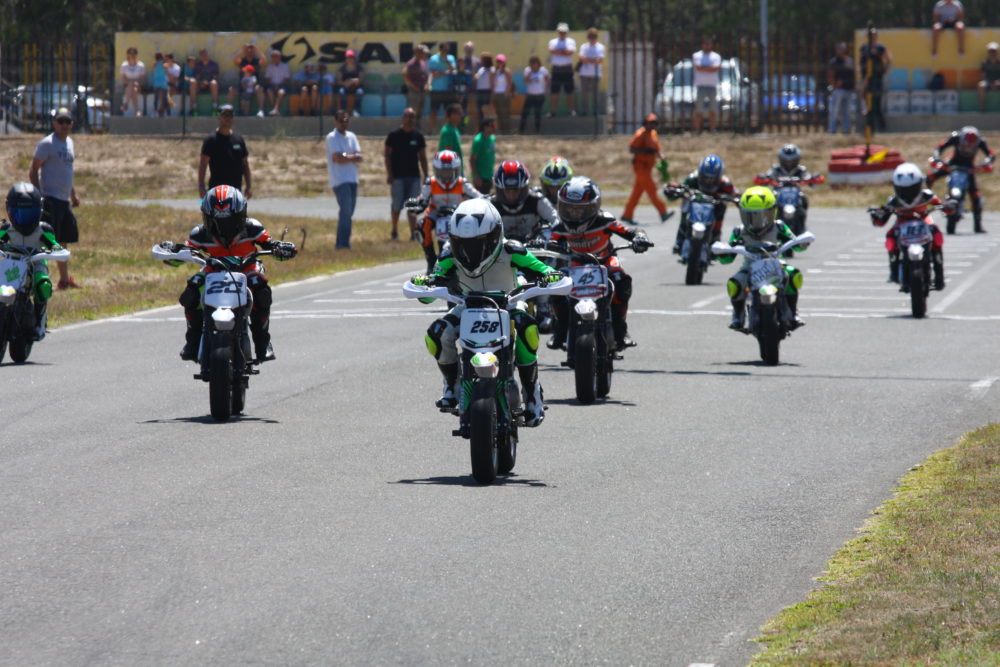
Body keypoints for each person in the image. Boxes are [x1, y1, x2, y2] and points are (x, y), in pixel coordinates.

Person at [413, 197, 561, 425]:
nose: (472, 251)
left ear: (495, 234)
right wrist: (425, 284)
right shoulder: (448, 256)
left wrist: (550, 276)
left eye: (480, 242)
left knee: (528, 327)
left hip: (509, 302)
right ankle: (451, 385)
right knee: (437, 332)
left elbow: (542, 269)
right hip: (467, 305)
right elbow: (429, 292)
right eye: (464, 243)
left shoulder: (512, 249)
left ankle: (532, 393)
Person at [166, 185, 297, 362]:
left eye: (228, 221)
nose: (222, 227)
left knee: (262, 292)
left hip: (247, 267)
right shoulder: (200, 234)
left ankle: (262, 342)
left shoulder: (253, 228)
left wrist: (281, 248)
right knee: (191, 292)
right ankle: (193, 342)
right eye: (216, 221)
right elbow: (184, 253)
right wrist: (172, 253)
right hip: (212, 269)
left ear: (241, 215)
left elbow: (270, 245)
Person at [549, 176, 651, 349]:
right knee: (553, 284)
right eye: (569, 209)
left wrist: (639, 238)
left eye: (580, 210)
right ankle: (560, 329)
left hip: (604, 261)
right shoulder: (559, 226)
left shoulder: (605, 220)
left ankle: (621, 330)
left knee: (621, 280)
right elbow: (549, 240)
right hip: (574, 264)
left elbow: (629, 230)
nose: (574, 213)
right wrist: (539, 244)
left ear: (593, 207)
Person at [718, 186, 809, 331]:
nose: (756, 222)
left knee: (793, 274)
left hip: (776, 264)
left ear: (773, 212)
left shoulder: (779, 227)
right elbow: (727, 259)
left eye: (762, 216)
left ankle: (793, 312)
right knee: (734, 284)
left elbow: (795, 244)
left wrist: (802, 243)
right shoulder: (739, 230)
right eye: (750, 216)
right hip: (749, 266)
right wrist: (723, 253)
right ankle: (738, 316)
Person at [2, 182, 64, 339]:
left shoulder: (43, 229)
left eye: (29, 213)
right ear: (9, 209)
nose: (23, 218)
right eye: (18, 213)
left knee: (42, 285)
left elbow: (54, 244)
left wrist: (56, 249)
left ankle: (40, 322)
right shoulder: (6, 228)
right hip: (11, 263)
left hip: (36, 262)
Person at [870, 163, 946, 289]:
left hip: (924, 220)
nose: (908, 193)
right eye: (903, 189)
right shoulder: (893, 201)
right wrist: (878, 215)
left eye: (911, 188)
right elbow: (881, 220)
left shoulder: (927, 195)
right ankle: (893, 270)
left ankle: (939, 275)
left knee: (937, 236)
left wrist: (949, 206)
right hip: (901, 224)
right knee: (890, 240)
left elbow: (941, 204)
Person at [29, 107, 80, 289]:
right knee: (46, 240)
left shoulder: (70, 143)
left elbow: (67, 171)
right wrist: (38, 195)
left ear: (71, 123)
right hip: (49, 198)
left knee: (63, 239)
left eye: (67, 121)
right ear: (54, 123)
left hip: (64, 199)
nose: (64, 125)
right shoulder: (47, 144)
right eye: (61, 121)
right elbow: (34, 169)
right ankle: (38, 277)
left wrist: (73, 195)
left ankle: (64, 279)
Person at [414, 150, 480, 272]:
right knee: (422, 226)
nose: (446, 175)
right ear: (436, 170)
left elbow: (477, 196)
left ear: (457, 170)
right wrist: (417, 203)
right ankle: (431, 259)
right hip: (435, 212)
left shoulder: (462, 183)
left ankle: (469, 257)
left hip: (459, 214)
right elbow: (422, 198)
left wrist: (487, 199)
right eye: (443, 172)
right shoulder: (431, 182)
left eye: (449, 171)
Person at [926, 126, 996, 233]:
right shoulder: (956, 137)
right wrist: (937, 158)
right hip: (953, 166)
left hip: (969, 169)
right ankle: (927, 200)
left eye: (971, 146)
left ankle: (977, 226)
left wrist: (986, 163)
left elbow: (991, 155)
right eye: (965, 145)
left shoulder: (981, 141)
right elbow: (940, 147)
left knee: (975, 197)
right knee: (930, 177)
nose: (968, 148)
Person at [667, 154, 739, 253]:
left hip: (714, 205)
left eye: (713, 180)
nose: (709, 182)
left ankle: (715, 238)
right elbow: (679, 187)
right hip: (695, 203)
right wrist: (672, 190)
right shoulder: (692, 178)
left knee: (722, 205)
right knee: (685, 202)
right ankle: (681, 237)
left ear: (719, 177)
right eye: (705, 178)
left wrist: (738, 200)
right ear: (700, 174)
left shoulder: (726, 183)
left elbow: (736, 194)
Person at [384, 107, 429, 241]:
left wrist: (426, 175)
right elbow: (387, 155)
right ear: (403, 118)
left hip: (414, 176)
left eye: (412, 116)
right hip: (397, 177)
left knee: (412, 206)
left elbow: (423, 157)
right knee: (396, 205)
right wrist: (389, 174)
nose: (410, 119)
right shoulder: (394, 135)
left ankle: (413, 234)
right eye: (407, 116)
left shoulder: (418, 136)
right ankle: (394, 230)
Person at [621, 113, 672, 225]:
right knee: (651, 189)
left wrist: (662, 158)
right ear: (646, 123)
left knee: (637, 193)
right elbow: (632, 149)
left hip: (648, 168)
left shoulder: (654, 134)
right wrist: (644, 151)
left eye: (654, 123)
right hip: (640, 167)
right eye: (650, 123)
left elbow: (657, 149)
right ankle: (663, 212)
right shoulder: (640, 134)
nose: (652, 125)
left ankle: (627, 215)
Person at [489, 160, 557, 243]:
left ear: (523, 188)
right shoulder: (491, 206)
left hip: (533, 251)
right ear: (499, 190)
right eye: (507, 190)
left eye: (515, 190)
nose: (511, 195)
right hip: (501, 252)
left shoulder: (537, 200)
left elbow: (555, 220)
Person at [752, 144, 816, 229]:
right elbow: (767, 176)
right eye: (786, 161)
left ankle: (802, 225)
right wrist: (764, 178)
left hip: (795, 194)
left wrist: (812, 179)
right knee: (769, 200)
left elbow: (809, 178)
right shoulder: (776, 169)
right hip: (778, 193)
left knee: (804, 198)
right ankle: (768, 225)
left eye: (792, 161)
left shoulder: (801, 169)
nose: (789, 163)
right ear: (781, 160)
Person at [325, 110, 363, 249]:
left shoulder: (352, 136)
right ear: (335, 122)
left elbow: (358, 154)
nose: (343, 123)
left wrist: (348, 156)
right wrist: (351, 157)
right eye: (341, 120)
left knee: (349, 212)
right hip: (340, 180)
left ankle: (344, 241)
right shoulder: (332, 137)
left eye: (346, 120)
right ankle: (342, 244)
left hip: (352, 178)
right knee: (346, 211)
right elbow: (337, 158)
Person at [199, 105, 252, 201]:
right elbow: (203, 164)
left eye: (230, 115)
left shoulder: (238, 140)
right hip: (216, 191)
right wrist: (201, 186)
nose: (228, 118)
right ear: (218, 117)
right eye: (225, 115)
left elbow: (245, 165)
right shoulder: (211, 140)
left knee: (236, 216)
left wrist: (248, 186)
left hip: (236, 192)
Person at [859, 27, 891, 132]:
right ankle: (870, 128)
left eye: (874, 35)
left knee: (877, 104)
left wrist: (885, 68)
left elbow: (888, 59)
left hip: (876, 80)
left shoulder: (880, 48)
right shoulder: (864, 48)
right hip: (866, 80)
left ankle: (882, 127)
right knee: (868, 106)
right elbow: (861, 63)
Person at [692, 37, 722, 134]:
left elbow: (715, 68)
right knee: (698, 110)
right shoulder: (696, 55)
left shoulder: (716, 56)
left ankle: (713, 130)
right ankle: (697, 130)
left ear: (711, 45)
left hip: (712, 86)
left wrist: (704, 68)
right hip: (700, 86)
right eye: (705, 44)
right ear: (702, 45)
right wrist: (710, 68)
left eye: (709, 44)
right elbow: (698, 67)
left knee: (713, 110)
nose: (707, 46)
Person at [827, 42, 856, 134]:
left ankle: (846, 129)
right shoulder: (834, 62)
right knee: (835, 111)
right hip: (839, 90)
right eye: (839, 48)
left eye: (842, 48)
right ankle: (832, 129)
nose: (840, 50)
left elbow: (854, 73)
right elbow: (830, 75)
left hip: (849, 89)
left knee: (847, 111)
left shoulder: (849, 61)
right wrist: (834, 86)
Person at [548, 23, 577, 117]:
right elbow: (552, 51)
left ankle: (571, 110)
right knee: (554, 91)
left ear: (567, 32)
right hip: (556, 69)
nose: (562, 33)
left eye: (564, 32)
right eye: (560, 32)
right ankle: (552, 111)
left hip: (567, 69)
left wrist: (559, 52)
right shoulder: (552, 41)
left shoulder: (571, 41)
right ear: (558, 32)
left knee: (569, 91)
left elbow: (570, 52)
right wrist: (564, 52)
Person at [428, 43, 457, 134]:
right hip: (436, 90)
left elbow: (454, 70)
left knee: (448, 112)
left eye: (447, 50)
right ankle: (432, 131)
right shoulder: (433, 59)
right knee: (433, 111)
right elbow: (434, 74)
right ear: (440, 50)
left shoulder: (451, 58)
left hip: (448, 90)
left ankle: (445, 131)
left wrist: (447, 62)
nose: (446, 52)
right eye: (444, 50)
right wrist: (446, 73)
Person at [230, 43, 265, 114]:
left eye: (251, 51)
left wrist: (257, 50)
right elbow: (235, 60)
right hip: (243, 83)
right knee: (231, 90)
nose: (249, 52)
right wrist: (242, 51)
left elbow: (264, 61)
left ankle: (261, 110)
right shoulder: (242, 61)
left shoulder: (256, 61)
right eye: (248, 50)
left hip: (254, 84)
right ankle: (229, 110)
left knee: (259, 89)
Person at [578, 28, 605, 116]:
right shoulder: (584, 46)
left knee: (595, 94)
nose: (592, 39)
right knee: (584, 94)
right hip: (584, 74)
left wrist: (589, 60)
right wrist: (592, 61)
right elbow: (582, 58)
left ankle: (595, 111)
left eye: (594, 36)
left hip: (595, 74)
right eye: (590, 37)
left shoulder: (600, 47)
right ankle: (585, 111)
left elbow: (600, 59)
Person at [403, 45, 430, 129]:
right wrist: (413, 86)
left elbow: (427, 74)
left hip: (422, 90)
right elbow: (405, 75)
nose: (424, 54)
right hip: (414, 91)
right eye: (422, 52)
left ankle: (417, 126)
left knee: (420, 109)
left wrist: (427, 84)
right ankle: (411, 127)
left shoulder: (423, 63)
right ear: (417, 53)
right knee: (413, 111)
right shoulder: (411, 63)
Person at [521, 56, 549, 134]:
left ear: (538, 63)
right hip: (530, 95)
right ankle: (521, 130)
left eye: (535, 63)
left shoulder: (543, 70)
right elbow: (525, 80)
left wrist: (545, 90)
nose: (534, 65)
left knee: (537, 114)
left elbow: (547, 80)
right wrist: (530, 74)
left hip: (540, 95)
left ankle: (537, 130)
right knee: (525, 113)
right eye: (532, 63)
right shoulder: (527, 70)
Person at [470, 117, 497, 194]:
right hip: (481, 178)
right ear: (485, 127)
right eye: (492, 126)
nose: (494, 128)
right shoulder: (478, 140)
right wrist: (476, 176)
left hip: (489, 175)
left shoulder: (492, 138)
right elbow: (472, 160)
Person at [456, 42, 479, 129]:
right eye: (467, 49)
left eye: (470, 48)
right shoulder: (461, 61)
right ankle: (463, 127)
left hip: (474, 91)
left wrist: (474, 72)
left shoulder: (477, 61)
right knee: (463, 111)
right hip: (462, 92)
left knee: (474, 111)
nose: (469, 50)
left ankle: (475, 129)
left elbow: (478, 76)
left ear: (473, 49)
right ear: (464, 50)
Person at [438, 103, 465, 176]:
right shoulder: (447, 131)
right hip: (451, 170)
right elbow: (448, 151)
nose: (461, 115)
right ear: (452, 115)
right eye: (459, 113)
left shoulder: (455, 129)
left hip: (457, 167)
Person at [263, 50, 290, 116]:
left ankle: (275, 108)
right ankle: (274, 109)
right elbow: (267, 79)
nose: (274, 58)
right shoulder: (269, 67)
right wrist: (273, 85)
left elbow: (286, 79)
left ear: (280, 57)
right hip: (272, 86)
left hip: (282, 85)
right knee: (269, 91)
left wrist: (279, 86)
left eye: (276, 56)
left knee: (281, 92)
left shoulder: (285, 66)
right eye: (273, 56)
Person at [119, 46, 145, 116]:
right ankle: (137, 110)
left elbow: (142, 78)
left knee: (133, 88)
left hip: (138, 85)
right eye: (131, 53)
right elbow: (123, 78)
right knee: (131, 88)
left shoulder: (141, 65)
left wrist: (137, 83)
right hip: (127, 85)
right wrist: (131, 83)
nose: (132, 55)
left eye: (134, 54)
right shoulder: (124, 65)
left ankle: (126, 103)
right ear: (128, 55)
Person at [338, 50, 365, 116]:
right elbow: (339, 81)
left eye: (351, 57)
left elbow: (361, 79)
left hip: (356, 87)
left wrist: (352, 81)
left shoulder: (359, 67)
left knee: (360, 92)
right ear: (346, 59)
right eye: (348, 57)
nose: (350, 59)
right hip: (345, 87)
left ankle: (356, 110)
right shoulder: (342, 68)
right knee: (341, 92)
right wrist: (346, 83)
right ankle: (343, 111)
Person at [492, 55, 513, 134]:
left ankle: (507, 130)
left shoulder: (507, 71)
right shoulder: (496, 72)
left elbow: (509, 83)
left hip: (504, 94)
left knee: (505, 114)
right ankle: (501, 130)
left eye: (501, 61)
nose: (499, 63)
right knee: (498, 113)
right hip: (497, 94)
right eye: (498, 61)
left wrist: (506, 94)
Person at [978, 42, 1000, 111]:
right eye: (991, 51)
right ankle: (982, 108)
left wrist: (998, 82)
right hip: (988, 82)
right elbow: (983, 76)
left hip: (998, 82)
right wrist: (990, 82)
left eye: (994, 51)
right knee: (981, 85)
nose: (992, 53)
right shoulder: (984, 62)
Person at [473, 53, 495, 121]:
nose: (480, 61)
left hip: (487, 91)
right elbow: (475, 78)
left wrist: (492, 94)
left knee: (487, 110)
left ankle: (488, 127)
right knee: (480, 110)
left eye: (482, 60)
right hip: (480, 91)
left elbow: (492, 82)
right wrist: (474, 69)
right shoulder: (481, 69)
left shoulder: (492, 69)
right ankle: (481, 127)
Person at [151, 52, 169, 118]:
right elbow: (167, 71)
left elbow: (153, 70)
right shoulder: (165, 65)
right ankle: (165, 112)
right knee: (164, 98)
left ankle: (155, 111)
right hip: (163, 84)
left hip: (156, 84)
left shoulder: (154, 64)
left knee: (156, 99)